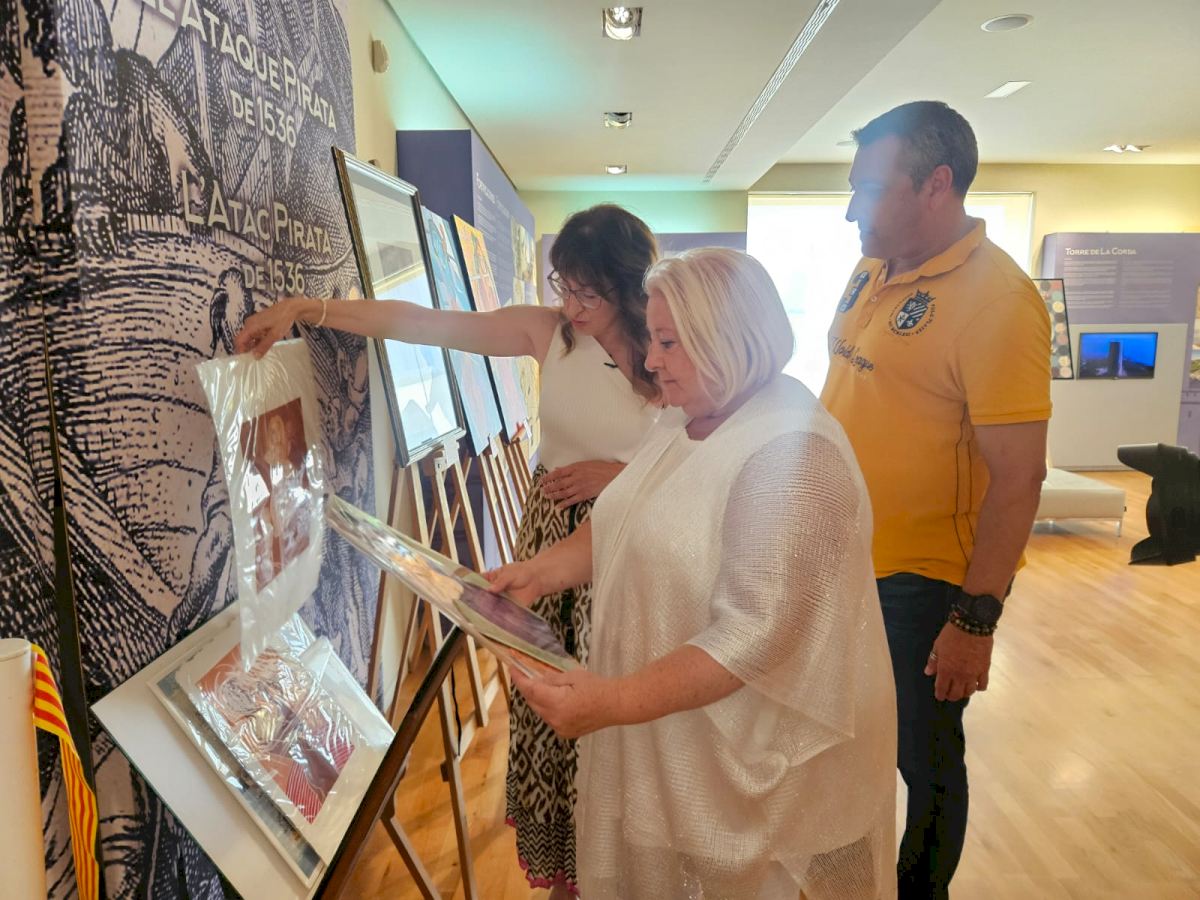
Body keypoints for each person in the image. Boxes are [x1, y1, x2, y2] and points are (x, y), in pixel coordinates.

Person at [235, 203, 669, 896]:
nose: (573, 307)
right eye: (565, 287)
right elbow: (425, 324)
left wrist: (616, 478)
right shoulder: (549, 333)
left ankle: (617, 866)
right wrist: (306, 309)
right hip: (549, 538)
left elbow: (699, 459)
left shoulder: (667, 349)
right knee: (545, 708)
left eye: (589, 293)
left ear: (628, 283)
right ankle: (567, 874)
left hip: (628, 546)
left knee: (611, 710)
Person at [489, 248, 897, 900]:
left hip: (748, 775)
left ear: (729, 337)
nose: (651, 361)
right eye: (654, 339)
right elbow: (627, 518)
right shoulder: (686, 416)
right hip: (673, 738)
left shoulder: (792, 453)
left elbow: (754, 637)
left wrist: (610, 702)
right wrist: (538, 574)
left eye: (669, 342)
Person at [821, 100, 1051, 898]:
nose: (851, 210)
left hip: (921, 583)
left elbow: (1020, 477)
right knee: (846, 744)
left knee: (923, 760)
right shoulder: (872, 266)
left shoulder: (999, 301)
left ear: (936, 184)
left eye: (869, 190)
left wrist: (974, 621)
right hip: (846, 558)